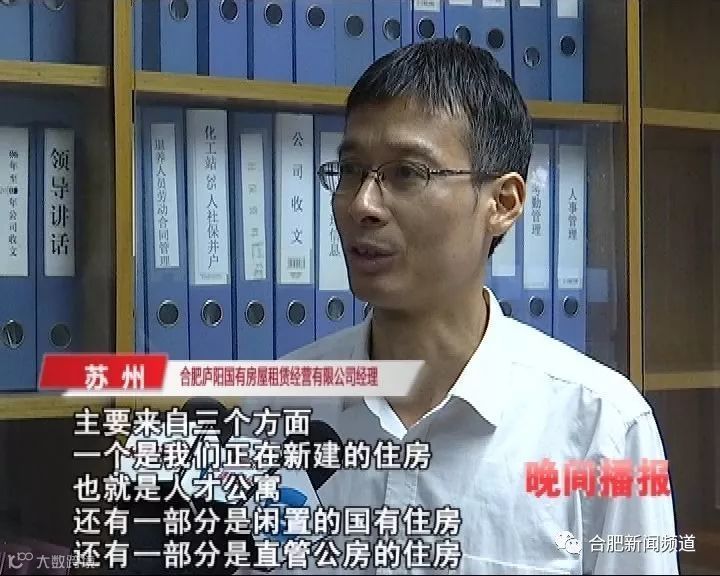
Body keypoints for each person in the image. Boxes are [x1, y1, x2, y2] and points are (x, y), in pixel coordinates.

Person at [243, 39, 678, 575]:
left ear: (503, 203)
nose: (362, 205)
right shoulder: (276, 408)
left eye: (407, 173)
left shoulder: (601, 427)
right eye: (351, 170)